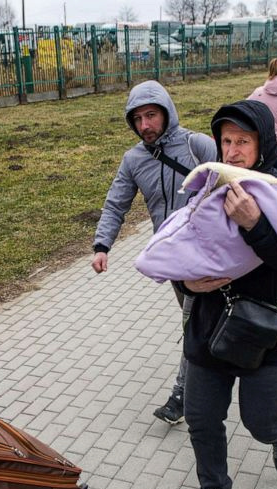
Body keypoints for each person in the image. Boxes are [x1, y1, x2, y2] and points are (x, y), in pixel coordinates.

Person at [172, 100, 277, 489]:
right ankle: (215, 488)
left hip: (265, 329)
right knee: (201, 416)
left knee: (260, 421)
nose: (231, 151)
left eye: (242, 142)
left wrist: (254, 225)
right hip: (210, 324)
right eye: (225, 141)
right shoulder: (204, 190)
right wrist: (187, 284)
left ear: (262, 144)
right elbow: (178, 253)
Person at [92, 80, 217, 425]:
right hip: (173, 262)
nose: (145, 125)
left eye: (151, 115)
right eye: (138, 119)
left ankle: (183, 395)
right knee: (202, 325)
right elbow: (115, 204)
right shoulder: (133, 160)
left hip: (209, 256)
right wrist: (103, 246)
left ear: (166, 112)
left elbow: (236, 183)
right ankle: (214, 374)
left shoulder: (197, 146)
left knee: (194, 324)